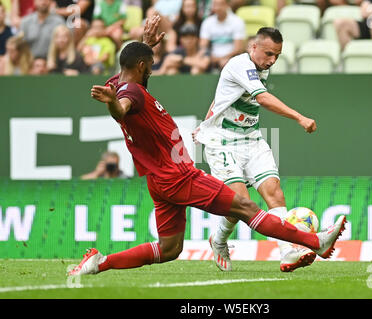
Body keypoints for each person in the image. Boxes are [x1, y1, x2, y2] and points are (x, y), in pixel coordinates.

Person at [68, 15, 346, 276]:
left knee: (170, 249)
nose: (152, 69)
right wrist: (114, 105)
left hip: (159, 179)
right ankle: (315, 241)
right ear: (142, 66)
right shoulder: (130, 95)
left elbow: (126, 82)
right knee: (246, 207)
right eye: (150, 65)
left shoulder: (122, 85)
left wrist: (145, 46)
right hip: (178, 175)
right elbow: (122, 109)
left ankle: (99, 263)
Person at [192, 27, 318, 272]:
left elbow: (222, 97)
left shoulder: (262, 67)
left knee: (275, 193)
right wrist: (300, 118)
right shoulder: (240, 65)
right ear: (253, 47)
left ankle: (287, 253)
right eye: (269, 53)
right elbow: (262, 98)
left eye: (277, 56)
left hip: (252, 139)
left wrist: (207, 119)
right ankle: (218, 240)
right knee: (240, 203)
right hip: (223, 142)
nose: (271, 60)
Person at [199, 0, 246, 71]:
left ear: (227, 5)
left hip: (231, 58)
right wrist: (209, 57)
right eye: (215, 5)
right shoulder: (207, 22)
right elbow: (203, 45)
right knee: (200, 64)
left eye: (220, 5)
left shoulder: (237, 21)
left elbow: (238, 49)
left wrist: (222, 59)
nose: (217, 8)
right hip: (211, 58)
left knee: (225, 63)